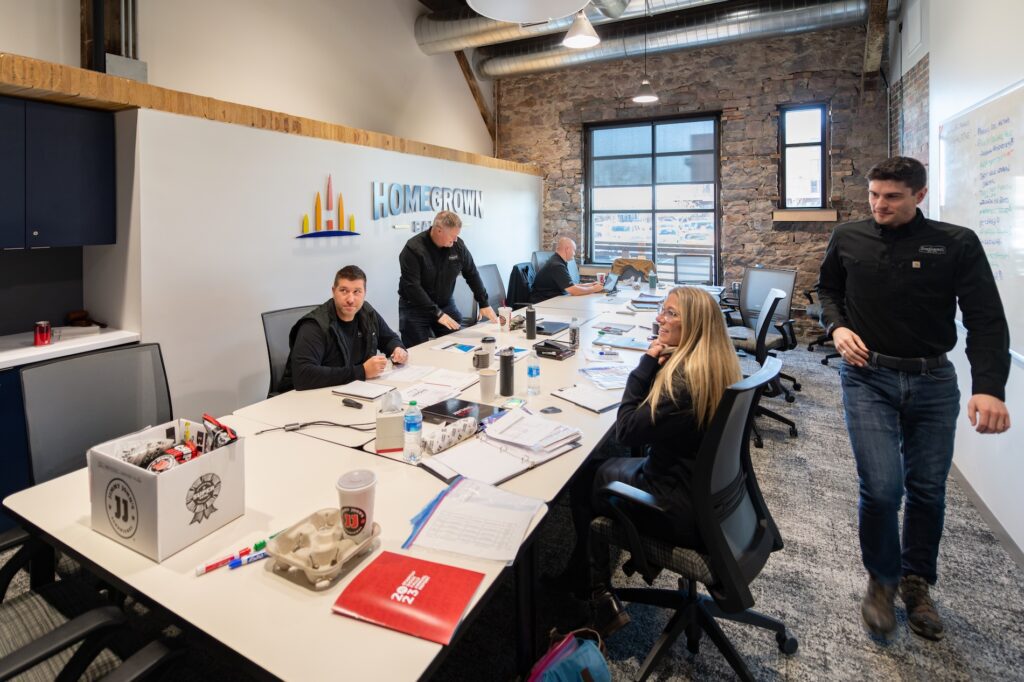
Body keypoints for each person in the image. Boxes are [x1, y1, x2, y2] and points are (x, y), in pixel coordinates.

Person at [816, 156, 1011, 641]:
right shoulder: (848, 237)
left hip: (933, 380)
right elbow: (828, 291)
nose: (879, 205)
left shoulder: (956, 243)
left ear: (920, 195)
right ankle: (882, 581)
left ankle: (917, 582)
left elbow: (986, 317)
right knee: (882, 488)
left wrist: (989, 387)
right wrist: (836, 327)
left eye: (892, 197)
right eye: (874, 194)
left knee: (926, 489)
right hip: (868, 377)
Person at [556, 287, 741, 636]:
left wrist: (644, 365)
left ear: (694, 325)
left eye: (670, 313)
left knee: (584, 476)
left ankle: (595, 593)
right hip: (710, 498)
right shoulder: (711, 366)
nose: (659, 318)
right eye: (662, 310)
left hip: (676, 507)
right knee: (601, 467)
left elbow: (626, 431)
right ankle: (584, 574)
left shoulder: (683, 385)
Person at [279, 265, 408, 392]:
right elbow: (303, 375)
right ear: (333, 291)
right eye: (344, 291)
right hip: (305, 398)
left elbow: (389, 338)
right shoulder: (314, 326)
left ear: (364, 293)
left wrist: (397, 349)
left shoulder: (367, 313)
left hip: (352, 390)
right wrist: (362, 371)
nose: (350, 299)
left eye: (357, 292)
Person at [397, 210, 497, 346]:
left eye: (457, 235)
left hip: (445, 304)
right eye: (453, 235)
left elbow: (472, 273)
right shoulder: (413, 249)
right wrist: (437, 314)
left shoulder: (458, 246)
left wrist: (484, 303)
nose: (455, 239)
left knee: (456, 344)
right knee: (417, 351)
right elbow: (412, 287)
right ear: (439, 230)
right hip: (415, 307)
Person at [530, 237, 604, 303]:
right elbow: (574, 291)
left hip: (553, 299)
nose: (574, 254)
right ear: (567, 249)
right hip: (544, 303)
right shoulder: (557, 265)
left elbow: (569, 286)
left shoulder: (557, 261)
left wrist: (589, 285)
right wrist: (594, 289)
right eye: (574, 250)